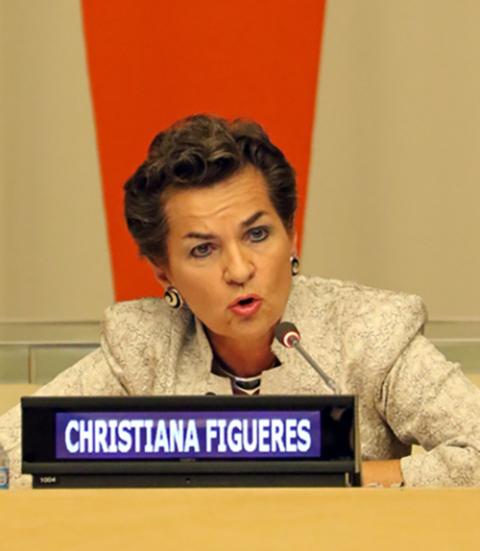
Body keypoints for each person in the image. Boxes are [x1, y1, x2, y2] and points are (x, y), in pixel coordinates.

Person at [1, 114, 480, 488]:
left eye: (257, 234)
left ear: (292, 235)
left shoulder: (370, 333)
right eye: (202, 249)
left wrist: (346, 478)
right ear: (163, 272)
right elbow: (9, 457)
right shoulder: (143, 348)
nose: (239, 269)